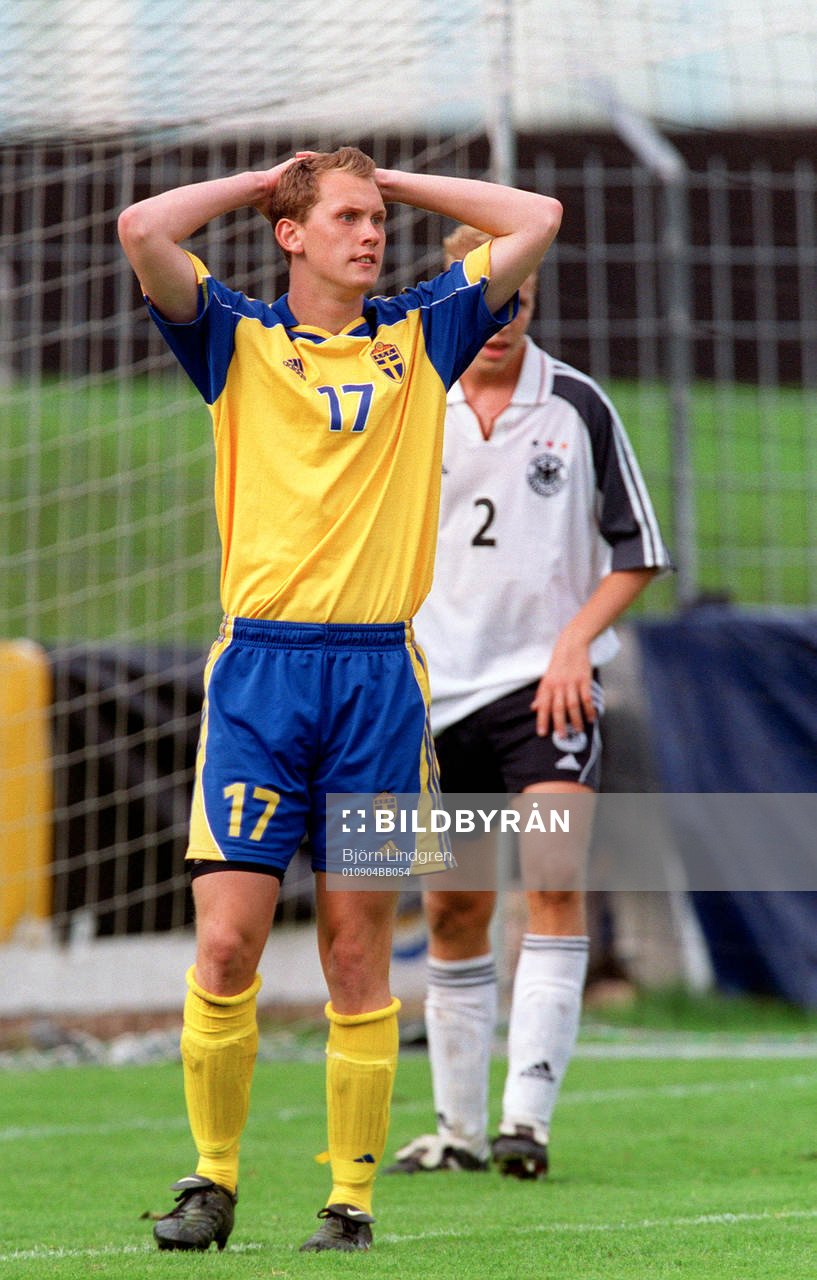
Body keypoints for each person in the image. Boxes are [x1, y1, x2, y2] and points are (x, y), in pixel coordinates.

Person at [117, 151, 562, 1252]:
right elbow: (141, 228)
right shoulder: (236, 336)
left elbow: (537, 215)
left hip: (375, 683)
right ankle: (211, 1180)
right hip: (260, 676)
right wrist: (267, 177)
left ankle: (349, 1200)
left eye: (376, 218)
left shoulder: (425, 330)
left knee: (357, 950)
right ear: (291, 233)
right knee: (227, 943)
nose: (370, 234)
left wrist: (397, 179)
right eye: (348, 217)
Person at [385, 223, 670, 1181]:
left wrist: (570, 645)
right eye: (484, 298)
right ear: (455, 297)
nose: (500, 318)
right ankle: (457, 1132)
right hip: (432, 696)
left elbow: (638, 554)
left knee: (552, 881)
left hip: (543, 693)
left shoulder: (579, 407)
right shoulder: (405, 403)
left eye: (518, 298)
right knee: (454, 908)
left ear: (535, 296)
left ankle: (526, 1127)